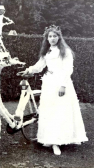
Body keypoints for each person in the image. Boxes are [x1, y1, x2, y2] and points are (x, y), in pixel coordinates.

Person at [19, 25, 88, 155]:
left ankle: (60, 141)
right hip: (49, 83)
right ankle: (50, 139)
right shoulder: (47, 51)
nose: (52, 38)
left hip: (62, 82)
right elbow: (40, 66)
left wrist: (63, 85)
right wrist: (29, 70)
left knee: (60, 111)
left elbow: (68, 69)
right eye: (50, 36)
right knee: (49, 111)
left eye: (54, 36)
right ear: (47, 38)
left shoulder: (65, 51)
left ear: (59, 37)